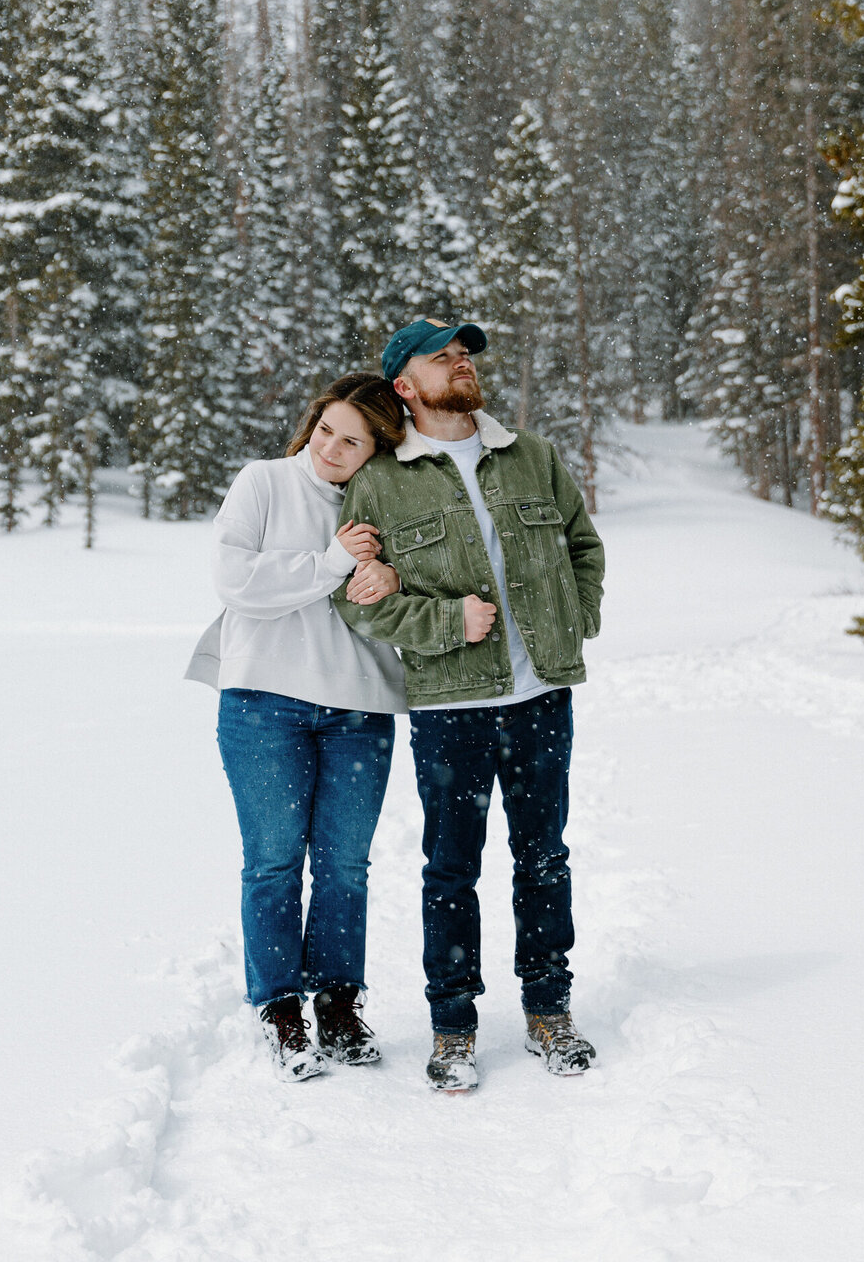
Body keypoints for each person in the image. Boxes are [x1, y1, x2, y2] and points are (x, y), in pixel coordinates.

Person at [333, 319, 605, 1093]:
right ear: (405, 387)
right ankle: (453, 1026)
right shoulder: (379, 482)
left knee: (543, 856)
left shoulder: (533, 458)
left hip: (540, 696)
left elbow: (584, 547)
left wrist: (572, 620)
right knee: (451, 868)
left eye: (466, 353)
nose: (462, 363)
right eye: (442, 356)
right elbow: (354, 598)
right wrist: (446, 624)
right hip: (450, 702)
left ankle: (550, 1009)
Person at [186, 374, 408, 1082]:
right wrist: (334, 563)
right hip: (262, 704)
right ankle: (281, 1009)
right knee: (274, 861)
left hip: (360, 705)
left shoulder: (390, 504)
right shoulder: (264, 482)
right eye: (325, 430)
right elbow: (236, 580)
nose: (332, 449)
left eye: (352, 440)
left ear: (379, 449)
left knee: (345, 864)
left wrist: (395, 578)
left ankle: (338, 1004)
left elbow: (425, 580)